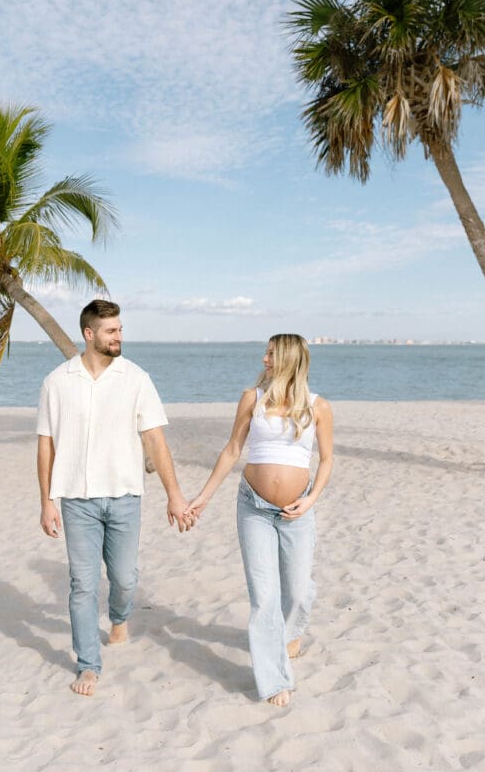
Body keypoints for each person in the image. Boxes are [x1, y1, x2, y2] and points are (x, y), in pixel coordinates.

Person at [37, 299, 194, 697]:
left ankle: (120, 617)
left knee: (124, 579)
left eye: (120, 329)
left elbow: (155, 440)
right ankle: (88, 664)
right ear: (89, 334)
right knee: (82, 584)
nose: (119, 336)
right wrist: (46, 500)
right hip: (76, 499)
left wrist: (174, 496)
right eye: (111, 331)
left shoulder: (136, 378)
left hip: (125, 497)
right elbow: (46, 445)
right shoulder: (57, 382)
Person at [186, 334, 333, 707]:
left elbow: (327, 460)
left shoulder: (318, 407)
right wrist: (203, 497)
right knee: (265, 597)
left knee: (297, 593)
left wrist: (311, 499)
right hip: (253, 506)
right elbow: (233, 449)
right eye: (266, 353)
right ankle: (274, 680)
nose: (264, 358)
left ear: (287, 359)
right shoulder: (252, 398)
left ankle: (292, 630)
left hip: (297, 511)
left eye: (270, 353)